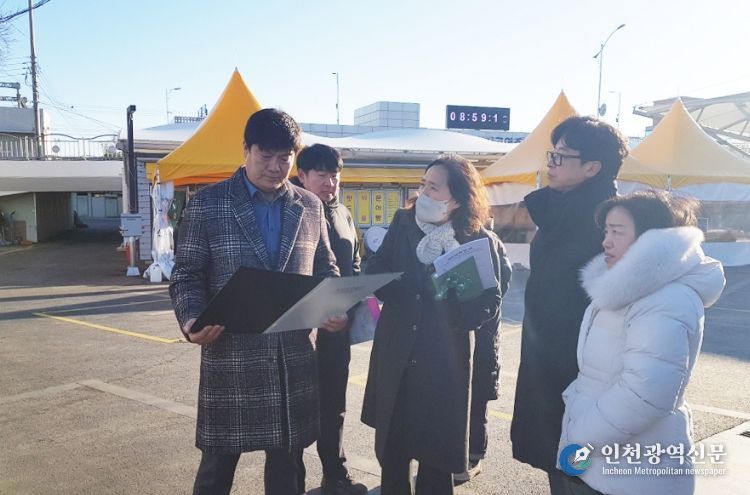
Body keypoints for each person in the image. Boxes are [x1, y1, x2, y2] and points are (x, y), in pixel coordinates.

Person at [170, 108, 346, 495]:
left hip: (292, 359)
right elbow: (187, 274)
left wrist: (332, 304)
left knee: (288, 469)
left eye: (284, 157)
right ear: (246, 149)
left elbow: (325, 267)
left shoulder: (309, 206)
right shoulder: (208, 203)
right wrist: (192, 318)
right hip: (231, 356)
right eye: (265, 156)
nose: (275, 167)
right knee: (216, 469)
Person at [556, 190, 725, 495]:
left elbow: (645, 395)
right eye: (606, 231)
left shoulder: (665, 300)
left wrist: (580, 439)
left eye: (617, 232)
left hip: (631, 471)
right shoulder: (623, 288)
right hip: (604, 459)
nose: (606, 242)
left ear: (652, 239)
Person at [361, 154, 508, 495]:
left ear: (457, 198)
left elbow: (489, 303)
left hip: (444, 361)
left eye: (434, 187)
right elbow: (375, 267)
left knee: (436, 459)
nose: (424, 192)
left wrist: (459, 294)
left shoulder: (476, 239)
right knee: (393, 452)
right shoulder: (403, 222)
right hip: (398, 351)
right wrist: (394, 285)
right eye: (423, 184)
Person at [510, 116, 629, 491]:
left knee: (581, 469)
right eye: (552, 154)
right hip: (547, 358)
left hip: (586, 368)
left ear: (592, 167)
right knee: (556, 459)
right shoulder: (557, 209)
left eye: (561, 156)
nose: (551, 163)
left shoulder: (612, 220)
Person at [292, 144, 367, 495]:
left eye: (335, 175)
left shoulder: (343, 214)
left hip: (336, 330)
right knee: (295, 408)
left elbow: (354, 266)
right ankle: (291, 481)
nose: (330, 182)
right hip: (297, 332)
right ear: (301, 175)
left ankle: (335, 475)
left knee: (334, 405)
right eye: (321, 175)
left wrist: (348, 310)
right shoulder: (291, 211)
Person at [455, 218, 512, 485]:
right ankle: (460, 455)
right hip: (464, 332)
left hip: (483, 332)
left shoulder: (488, 241)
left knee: (477, 399)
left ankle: (474, 457)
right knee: (462, 397)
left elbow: (502, 283)